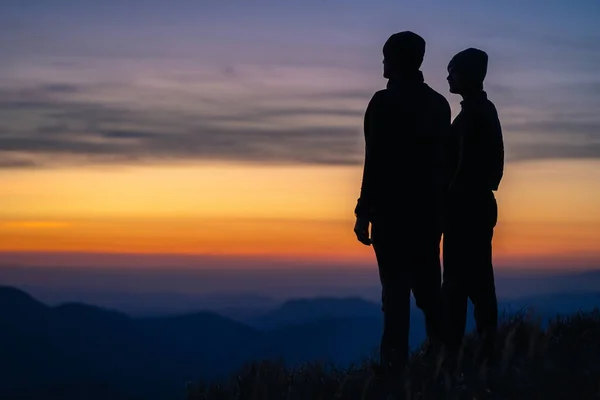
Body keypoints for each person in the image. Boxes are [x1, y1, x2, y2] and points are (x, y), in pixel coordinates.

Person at [353, 31, 452, 373]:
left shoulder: (382, 103)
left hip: (391, 217)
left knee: (395, 299)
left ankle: (393, 376)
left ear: (397, 60)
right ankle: (445, 366)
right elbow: (446, 164)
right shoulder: (439, 104)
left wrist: (363, 212)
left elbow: (375, 162)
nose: (382, 62)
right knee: (429, 293)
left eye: (386, 56)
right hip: (428, 216)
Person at [441, 48, 505, 365]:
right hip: (475, 206)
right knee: (476, 281)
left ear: (467, 74)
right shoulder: (478, 112)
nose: (447, 76)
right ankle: (481, 350)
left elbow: (468, 167)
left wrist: (447, 200)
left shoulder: (476, 114)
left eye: (452, 70)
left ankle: (456, 357)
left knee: (459, 283)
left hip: (466, 209)